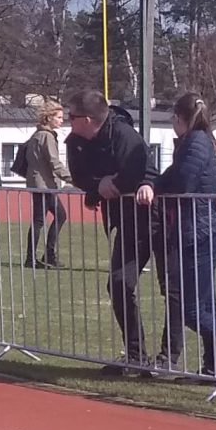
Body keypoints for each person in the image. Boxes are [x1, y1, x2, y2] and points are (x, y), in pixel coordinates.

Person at [147, 92, 216, 383]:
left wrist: (155, 186)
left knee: (192, 311)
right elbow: (174, 176)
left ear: (179, 118)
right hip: (198, 231)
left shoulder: (195, 142)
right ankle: (213, 368)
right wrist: (154, 183)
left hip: (200, 233)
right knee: (206, 307)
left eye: (173, 118)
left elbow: (181, 182)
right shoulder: (194, 141)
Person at [65, 88, 155, 375]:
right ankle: (136, 356)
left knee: (176, 292)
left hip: (150, 218)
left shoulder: (124, 135)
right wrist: (99, 185)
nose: (68, 121)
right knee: (118, 284)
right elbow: (79, 176)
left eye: (72, 117)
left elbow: (143, 171)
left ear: (87, 119)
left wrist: (116, 184)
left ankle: (170, 358)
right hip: (122, 219)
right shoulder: (76, 141)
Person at [17, 102, 69, 268]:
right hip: (43, 185)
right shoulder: (46, 136)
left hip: (42, 184)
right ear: (49, 118)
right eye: (59, 117)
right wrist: (73, 179)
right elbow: (54, 163)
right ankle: (33, 258)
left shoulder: (38, 134)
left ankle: (47, 255)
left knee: (58, 216)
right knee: (40, 220)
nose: (62, 120)